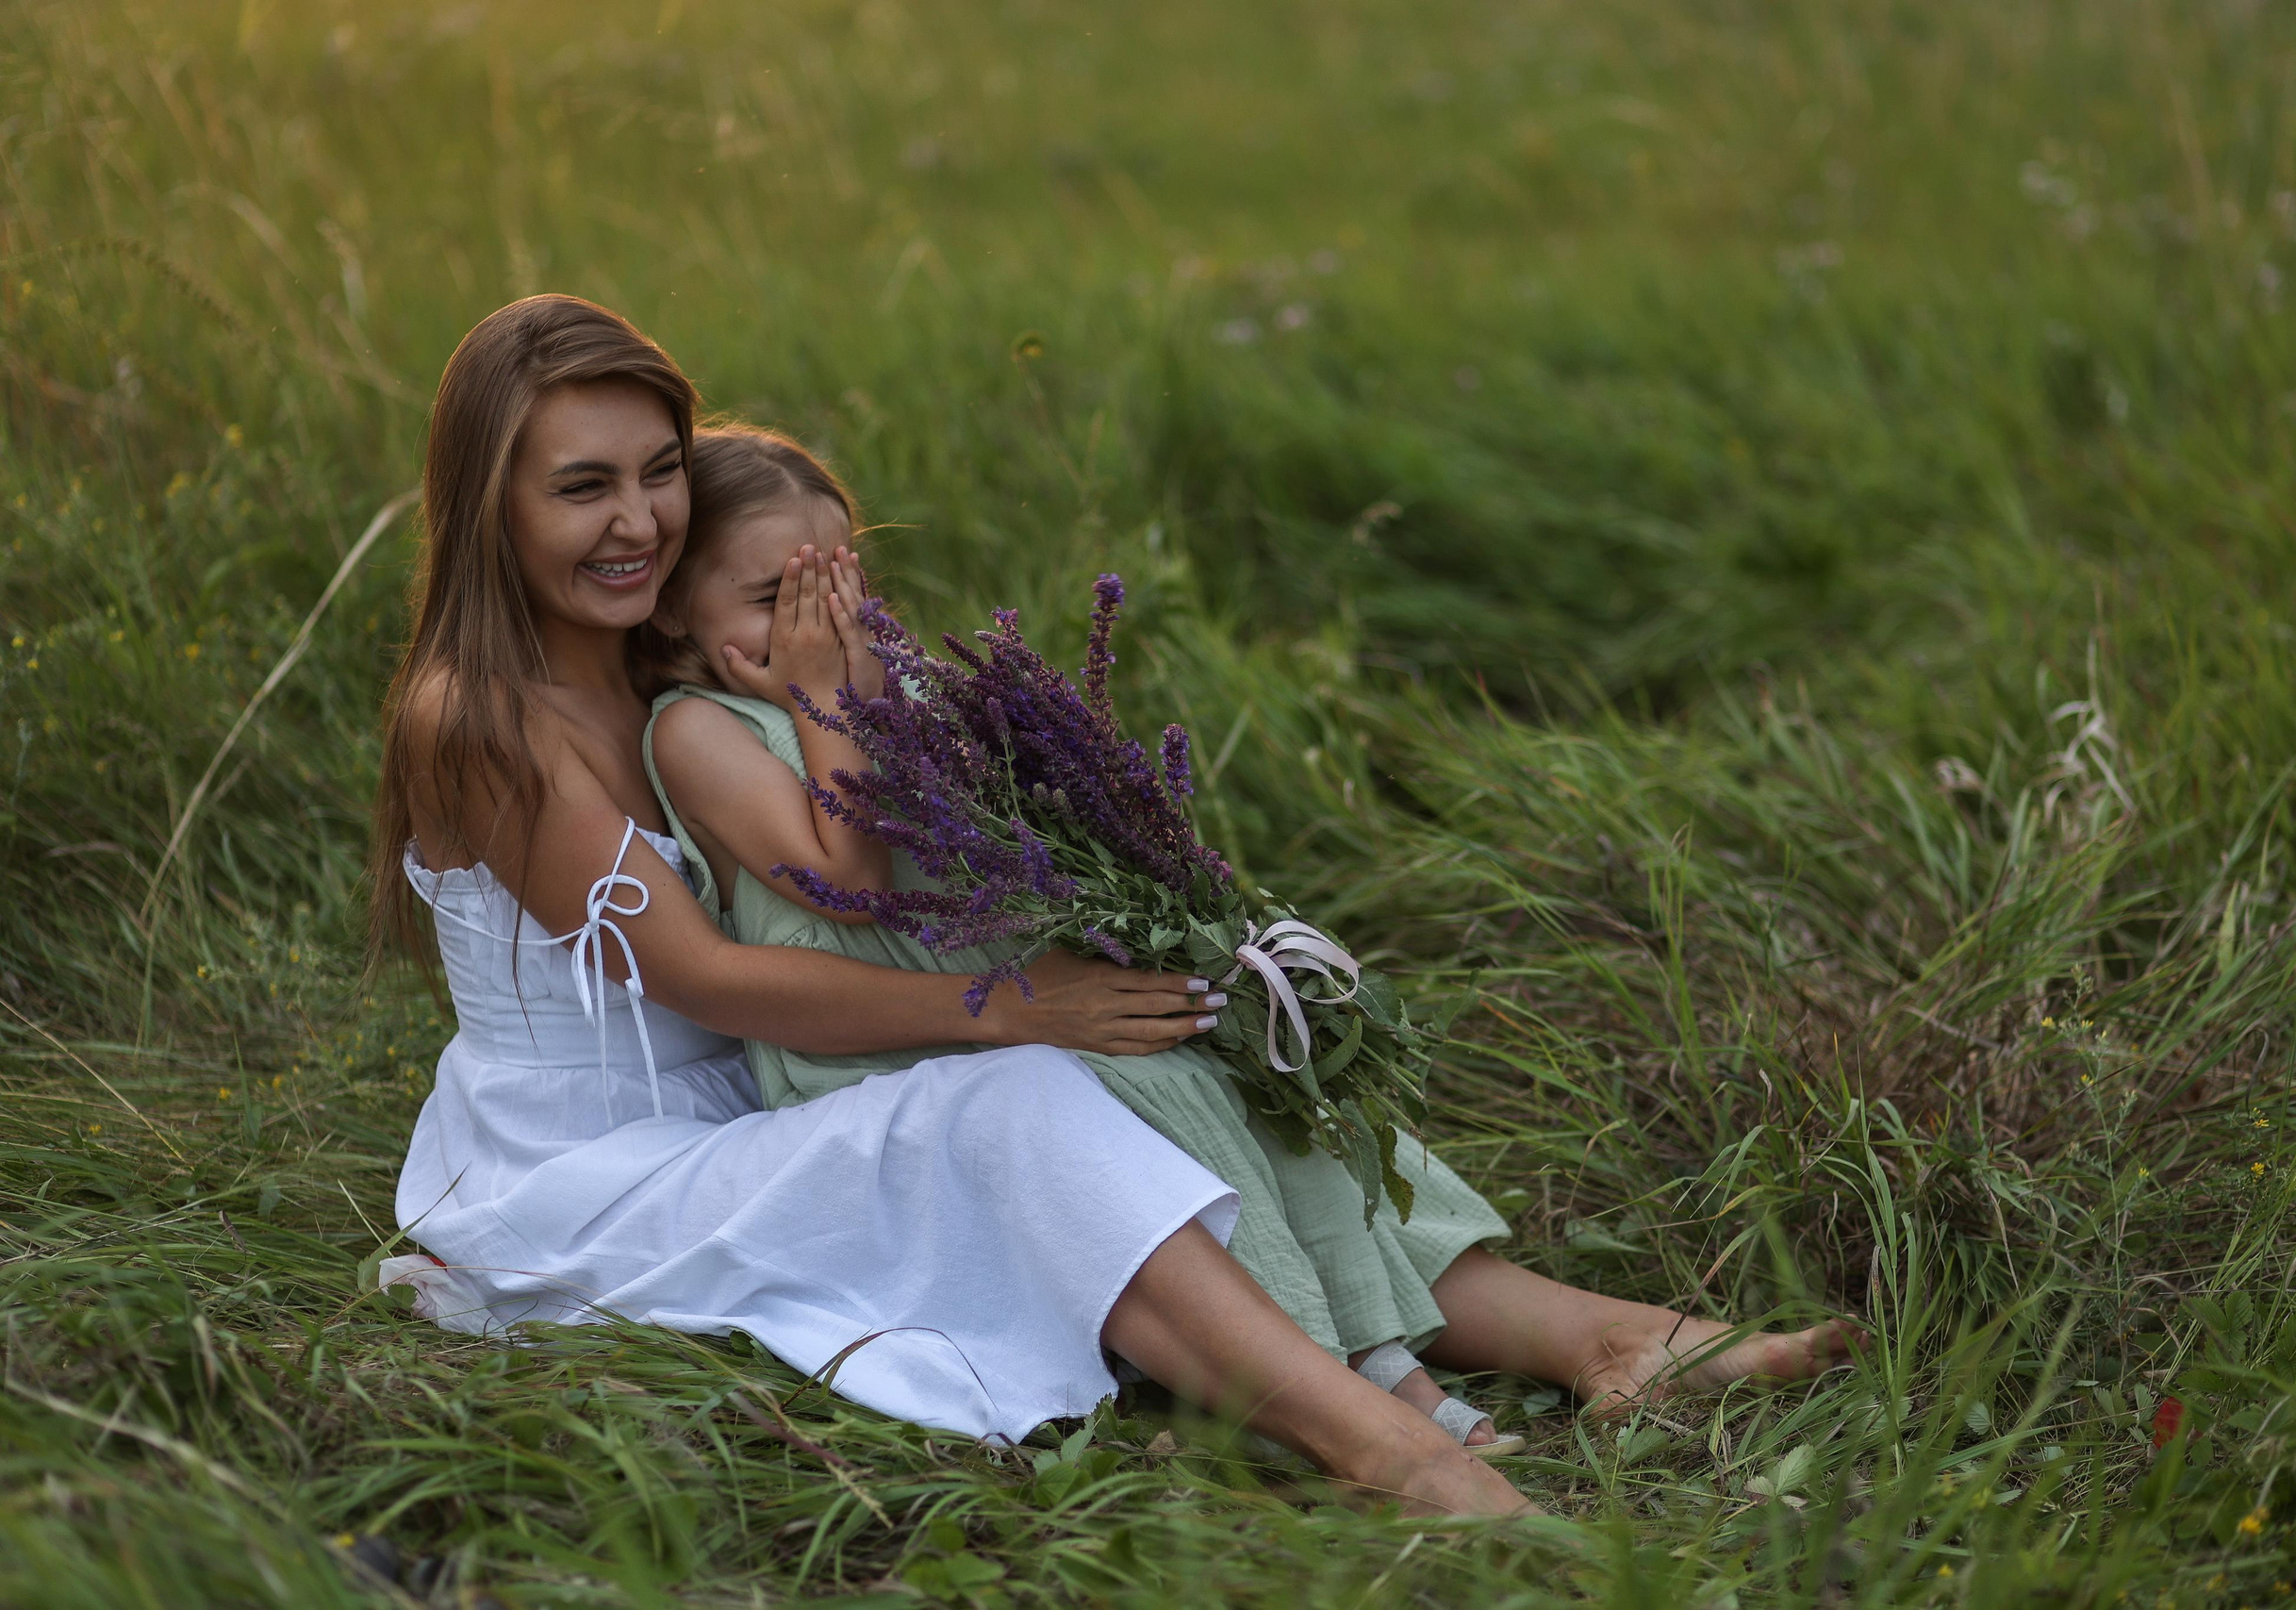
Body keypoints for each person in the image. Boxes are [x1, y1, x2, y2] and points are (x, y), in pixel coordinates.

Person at [372, 293, 1855, 1521]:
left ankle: (1611, 1338)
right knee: (1022, 1096)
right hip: (593, 1169)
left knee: (1199, 1050)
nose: (637, 519)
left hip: (767, 1098)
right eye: (582, 486)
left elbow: (862, 828)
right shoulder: (481, 716)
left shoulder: (675, 653)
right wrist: (1009, 1005)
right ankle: (1391, 1445)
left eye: (658, 473)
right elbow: (709, 978)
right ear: (490, 501)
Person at [636, 423, 1525, 1455]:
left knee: (1218, 1067)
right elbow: (847, 878)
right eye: (776, 601)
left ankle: (1381, 1353)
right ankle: (1318, 1386)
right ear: (674, 609)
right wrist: (826, 697)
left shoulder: (886, 691)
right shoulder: (698, 730)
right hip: (881, 1061)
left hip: (1009, 1006)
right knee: (1153, 1095)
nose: (822, 628)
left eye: (841, 590)